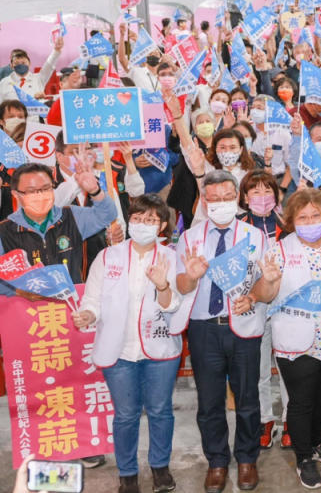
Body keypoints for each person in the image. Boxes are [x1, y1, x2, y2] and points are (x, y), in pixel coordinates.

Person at [72, 194, 183, 493]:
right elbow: (93, 299)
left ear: (161, 226)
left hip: (160, 349)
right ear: (129, 220)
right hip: (118, 350)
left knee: (160, 411)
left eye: (151, 220)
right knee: (125, 414)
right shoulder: (108, 256)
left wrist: (162, 285)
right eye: (137, 218)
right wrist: (87, 314)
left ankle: (160, 467)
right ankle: (128, 473)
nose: (143, 224)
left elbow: (174, 306)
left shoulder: (172, 257)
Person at [174, 170, 276, 493]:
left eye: (226, 198)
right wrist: (191, 277)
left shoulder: (255, 237)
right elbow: (179, 285)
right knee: (209, 402)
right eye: (213, 199)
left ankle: (247, 459)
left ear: (238, 199)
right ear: (204, 201)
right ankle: (217, 461)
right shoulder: (190, 238)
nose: (220, 203)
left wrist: (258, 293)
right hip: (205, 329)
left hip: (244, 328)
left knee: (248, 400)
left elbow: (268, 285)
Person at [256, 188, 321, 489]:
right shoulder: (280, 250)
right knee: (301, 401)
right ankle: (304, 456)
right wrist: (267, 282)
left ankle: (319, 441)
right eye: (302, 217)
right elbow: (264, 295)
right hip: (296, 338)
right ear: (292, 221)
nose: (310, 221)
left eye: (315, 216)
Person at [237, 171, 289, 450]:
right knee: (258, 370)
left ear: (276, 195)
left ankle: (291, 419)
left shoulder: (289, 224)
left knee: (289, 366)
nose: (261, 196)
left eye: (266, 190)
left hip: (287, 306)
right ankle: (265, 420)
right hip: (254, 304)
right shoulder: (238, 228)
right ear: (244, 198)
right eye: (254, 191)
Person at [0, 162, 117, 282]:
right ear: (16, 194)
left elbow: (107, 215)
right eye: (32, 191)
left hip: (70, 298)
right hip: (27, 299)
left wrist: (95, 191)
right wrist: (17, 292)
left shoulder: (71, 216)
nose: (40, 195)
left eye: (46, 188)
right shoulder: (5, 231)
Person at [0, 37, 62, 102]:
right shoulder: (4, 83)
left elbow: (49, 65)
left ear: (29, 64)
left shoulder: (38, 79)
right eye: (17, 63)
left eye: (23, 62)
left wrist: (56, 50)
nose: (20, 65)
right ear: (11, 66)